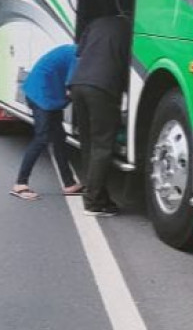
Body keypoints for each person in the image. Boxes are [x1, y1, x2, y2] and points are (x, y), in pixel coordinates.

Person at [67, 14, 132, 217]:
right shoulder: (132, 30)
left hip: (78, 84)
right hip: (103, 88)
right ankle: (93, 202)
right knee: (102, 145)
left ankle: (100, 196)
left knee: (88, 144)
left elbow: (80, 52)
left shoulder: (97, 21)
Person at [10, 44, 84, 200]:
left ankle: (69, 184)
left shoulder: (76, 50)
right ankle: (20, 184)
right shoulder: (78, 56)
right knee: (42, 138)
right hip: (41, 94)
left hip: (48, 93)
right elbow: (71, 90)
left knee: (59, 139)